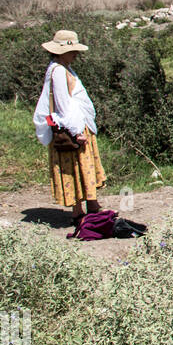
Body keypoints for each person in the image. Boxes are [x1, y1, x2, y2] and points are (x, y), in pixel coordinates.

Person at [33, 29, 107, 226]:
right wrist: (76, 131)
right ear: (60, 51)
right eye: (73, 50)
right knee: (75, 166)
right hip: (73, 128)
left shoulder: (63, 68)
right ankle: (78, 211)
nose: (76, 54)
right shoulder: (58, 72)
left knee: (83, 166)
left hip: (80, 126)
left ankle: (92, 206)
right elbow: (64, 104)